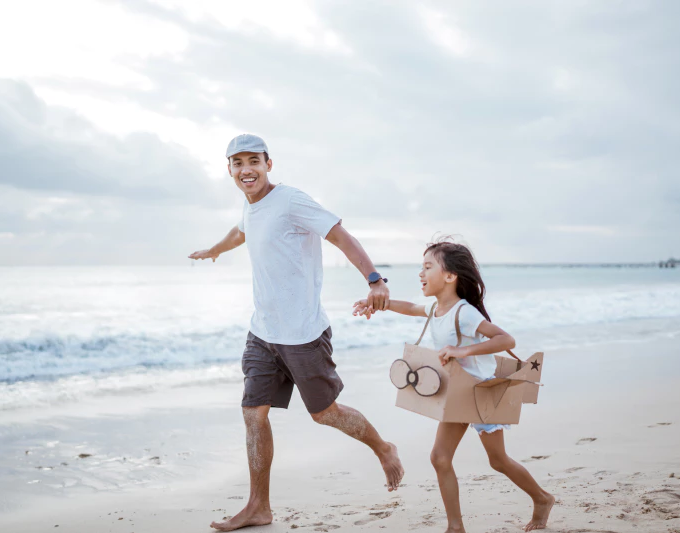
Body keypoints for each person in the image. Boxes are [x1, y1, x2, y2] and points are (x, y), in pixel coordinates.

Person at [190, 134, 404, 531]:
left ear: (269, 163)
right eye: (237, 163)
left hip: (303, 334)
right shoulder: (250, 205)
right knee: (253, 414)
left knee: (324, 414)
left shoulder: (291, 200)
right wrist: (214, 249)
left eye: (253, 161)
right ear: (230, 170)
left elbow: (339, 235)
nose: (246, 169)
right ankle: (258, 506)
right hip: (263, 333)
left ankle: (382, 447)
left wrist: (375, 280)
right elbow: (240, 232)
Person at [353, 239, 554, 532]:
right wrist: (378, 304)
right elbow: (410, 307)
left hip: (483, 394)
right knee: (439, 458)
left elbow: (506, 340)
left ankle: (542, 498)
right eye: (421, 267)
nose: (421, 274)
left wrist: (462, 351)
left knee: (497, 461)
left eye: (428, 267)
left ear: (450, 276)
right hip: (459, 395)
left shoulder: (464, 312)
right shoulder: (436, 309)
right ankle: (455, 526)